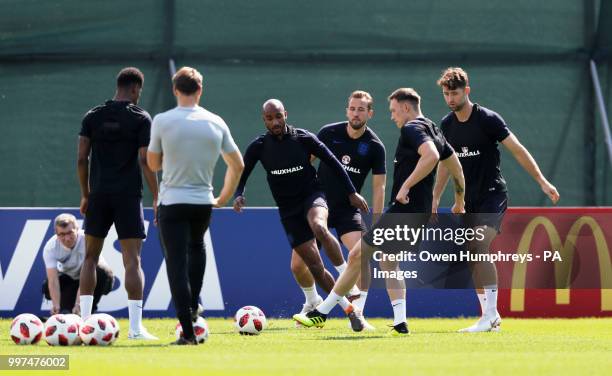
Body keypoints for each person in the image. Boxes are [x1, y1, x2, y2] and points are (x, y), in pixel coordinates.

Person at [293, 88, 466, 335]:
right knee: (388, 262)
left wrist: (406, 186)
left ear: (406, 108)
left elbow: (432, 155)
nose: (393, 117)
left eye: (394, 111)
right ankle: (400, 322)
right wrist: (457, 198)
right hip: (419, 213)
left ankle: (321, 313)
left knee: (356, 257)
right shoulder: (434, 128)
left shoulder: (412, 128)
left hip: (404, 211)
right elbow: (455, 165)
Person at [432, 67, 560, 332]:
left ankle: (491, 315)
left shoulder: (488, 119)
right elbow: (445, 165)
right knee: (473, 253)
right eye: (446, 94)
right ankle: (488, 317)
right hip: (468, 200)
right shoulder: (446, 125)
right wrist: (435, 198)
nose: (450, 99)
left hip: (493, 195)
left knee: (479, 246)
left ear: (467, 91)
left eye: (454, 93)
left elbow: (518, 150)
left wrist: (542, 181)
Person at [233, 99, 370, 331]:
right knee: (314, 266)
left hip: (312, 196)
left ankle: (348, 280)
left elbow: (334, 163)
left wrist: (352, 192)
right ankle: (350, 310)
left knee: (319, 226)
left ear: (285, 114)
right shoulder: (259, 146)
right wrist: (239, 193)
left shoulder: (303, 138)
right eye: (270, 118)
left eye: (278, 116)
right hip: (288, 209)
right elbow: (243, 172)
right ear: (264, 119)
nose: (275, 122)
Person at [147, 66, 244, 345]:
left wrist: (169, 158)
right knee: (197, 246)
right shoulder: (215, 122)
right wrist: (222, 198)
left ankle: (187, 332)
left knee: (176, 263)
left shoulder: (163, 121)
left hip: (172, 202)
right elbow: (237, 165)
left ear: (175, 90)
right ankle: (192, 307)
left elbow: (152, 164)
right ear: (200, 90)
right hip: (203, 202)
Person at [290, 90, 386, 331]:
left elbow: (379, 186)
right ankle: (312, 301)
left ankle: (359, 314)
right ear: (347, 111)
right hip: (318, 206)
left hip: (347, 210)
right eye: (352, 108)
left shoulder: (375, 146)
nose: (356, 113)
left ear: (370, 113)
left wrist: (377, 220)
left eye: (361, 109)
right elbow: (306, 162)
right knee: (297, 266)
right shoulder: (328, 133)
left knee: (361, 257)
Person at [77, 67, 159, 340]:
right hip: (127, 196)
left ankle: (85, 324)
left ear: (118, 86)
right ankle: (135, 329)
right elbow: (145, 161)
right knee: (132, 261)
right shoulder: (140, 118)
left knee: (89, 258)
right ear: (135, 89)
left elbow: (81, 159)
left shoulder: (92, 116)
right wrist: (157, 196)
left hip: (98, 194)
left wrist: (86, 194)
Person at [42, 213, 113, 316]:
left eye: (70, 233)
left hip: (94, 278)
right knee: (49, 289)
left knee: (100, 271)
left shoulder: (88, 240)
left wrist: (79, 304)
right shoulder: (51, 247)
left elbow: (89, 273)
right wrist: (56, 305)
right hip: (72, 280)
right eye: (62, 234)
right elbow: (53, 280)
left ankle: (88, 311)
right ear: (56, 234)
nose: (67, 238)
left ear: (77, 229)